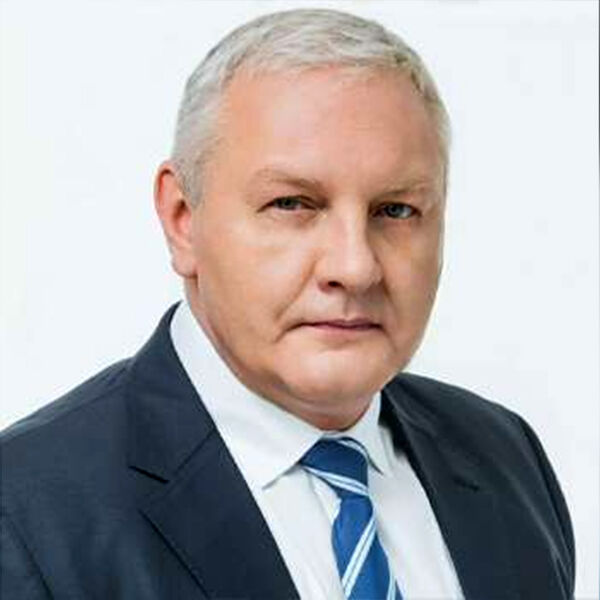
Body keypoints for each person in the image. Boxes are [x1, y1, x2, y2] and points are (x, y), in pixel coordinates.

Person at [0, 8, 574, 600]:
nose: (355, 267)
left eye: (396, 210)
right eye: (293, 204)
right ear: (182, 219)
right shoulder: (23, 517)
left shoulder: (506, 458)